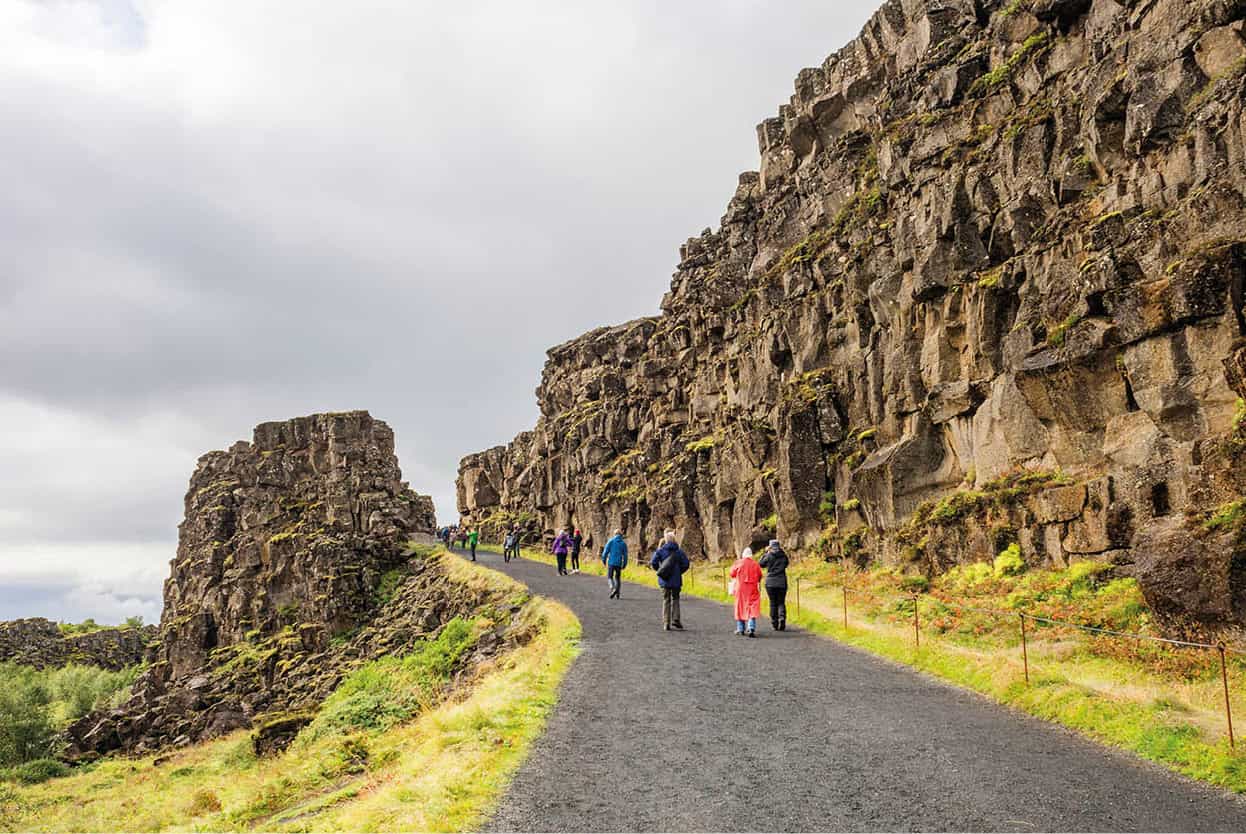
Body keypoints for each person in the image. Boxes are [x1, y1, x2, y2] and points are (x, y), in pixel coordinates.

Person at [650, 530, 690, 631]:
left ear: (666, 540)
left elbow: (653, 562)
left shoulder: (660, 551)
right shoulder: (679, 552)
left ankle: (666, 622)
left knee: (666, 600)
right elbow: (686, 564)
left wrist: (660, 570)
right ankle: (676, 619)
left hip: (664, 579)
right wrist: (679, 572)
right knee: (675, 599)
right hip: (676, 580)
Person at [730, 546, 763, 637]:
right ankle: (751, 627)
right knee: (752, 607)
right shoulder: (755, 564)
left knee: (740, 607)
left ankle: (740, 629)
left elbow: (732, 573)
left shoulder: (739, 563)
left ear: (743, 555)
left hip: (741, 589)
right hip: (753, 589)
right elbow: (760, 576)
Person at [758, 538, 789, 631]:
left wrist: (766, 553)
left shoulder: (768, 556)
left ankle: (774, 622)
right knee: (781, 602)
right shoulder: (783, 556)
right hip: (782, 582)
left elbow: (761, 564)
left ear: (770, 546)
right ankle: (782, 618)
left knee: (772, 603)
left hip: (770, 582)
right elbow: (787, 564)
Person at [601, 528, 628, 599]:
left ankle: (613, 588)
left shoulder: (611, 541)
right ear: (621, 535)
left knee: (610, 577)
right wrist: (624, 564)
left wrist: (603, 560)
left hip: (611, 563)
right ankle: (617, 592)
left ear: (614, 534)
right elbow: (625, 555)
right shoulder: (623, 543)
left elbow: (605, 552)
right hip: (619, 563)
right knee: (618, 578)